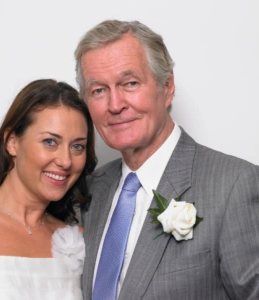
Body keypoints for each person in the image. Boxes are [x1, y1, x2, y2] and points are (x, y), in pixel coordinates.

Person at [74, 20, 259, 300]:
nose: (115, 105)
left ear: (167, 86)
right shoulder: (89, 189)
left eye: (130, 83)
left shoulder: (234, 184)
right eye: (98, 90)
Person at [0, 79, 97, 299]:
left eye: (77, 146)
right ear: (12, 142)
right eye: (50, 142)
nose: (65, 161)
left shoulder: (80, 242)